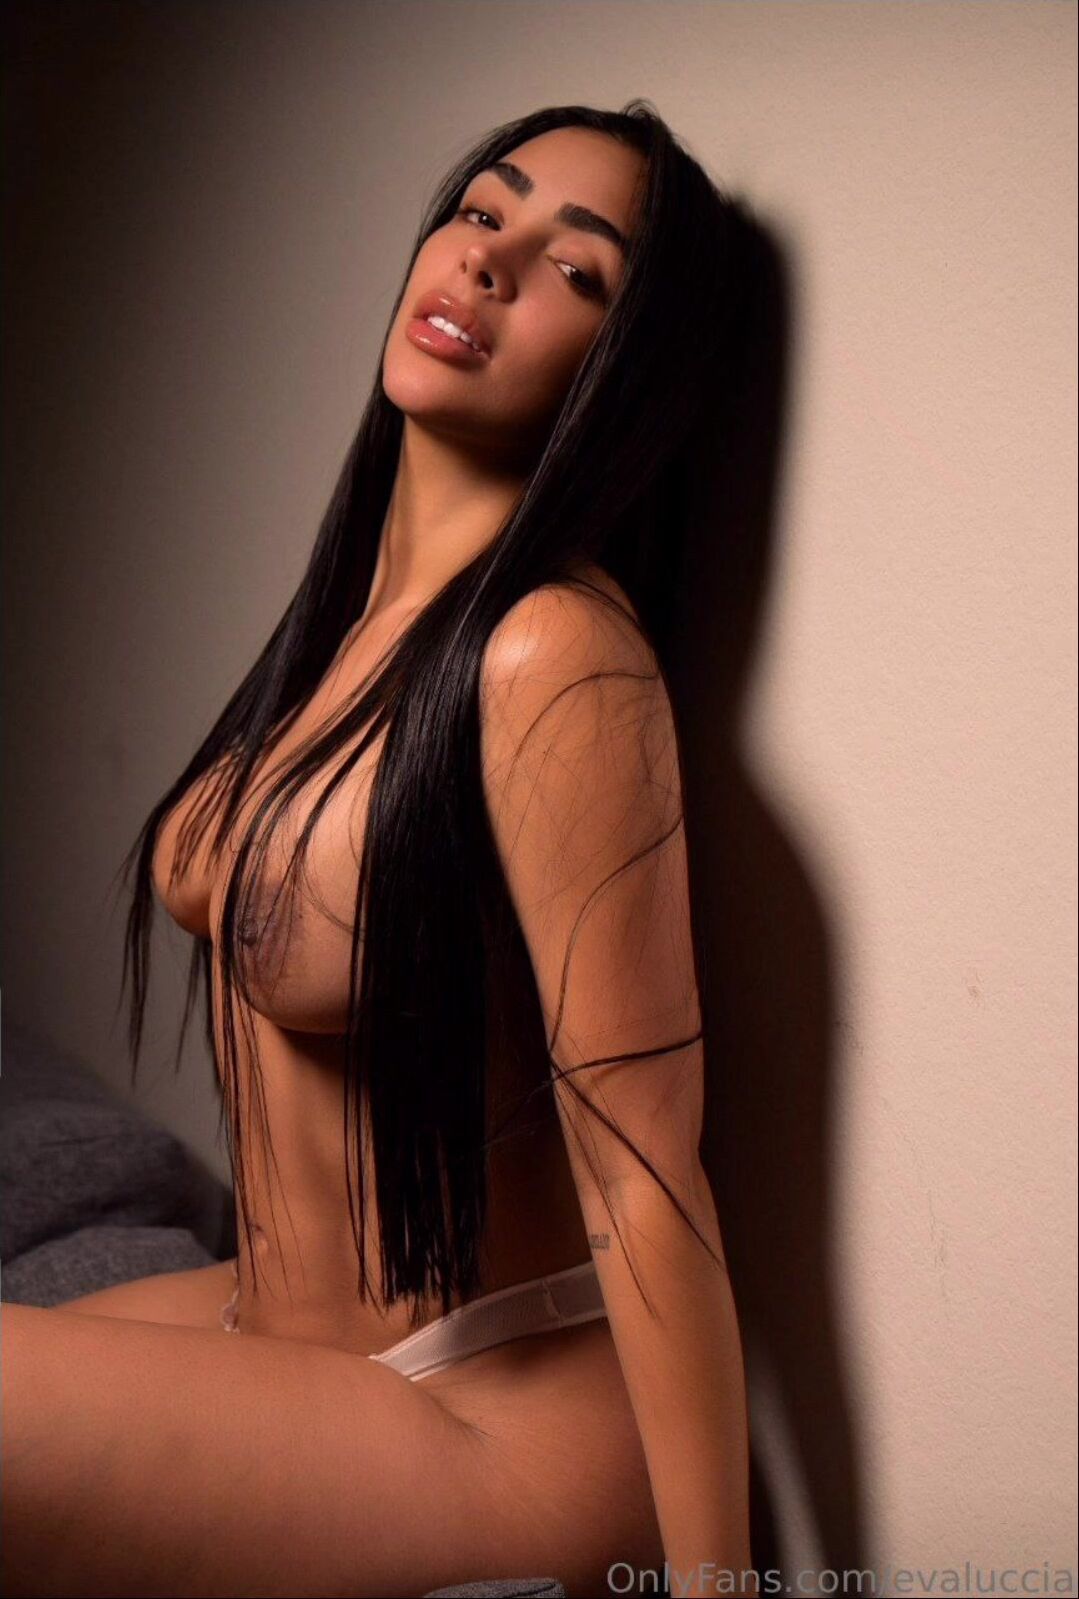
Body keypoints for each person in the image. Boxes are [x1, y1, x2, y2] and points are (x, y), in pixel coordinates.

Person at [1, 101, 758, 1598]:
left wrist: (724, 1586)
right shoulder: (356, 628)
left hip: (489, 1406)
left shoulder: (553, 656)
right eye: (482, 211)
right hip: (277, 1331)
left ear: (621, 372)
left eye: (575, 270)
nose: (489, 264)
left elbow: (645, 1176)